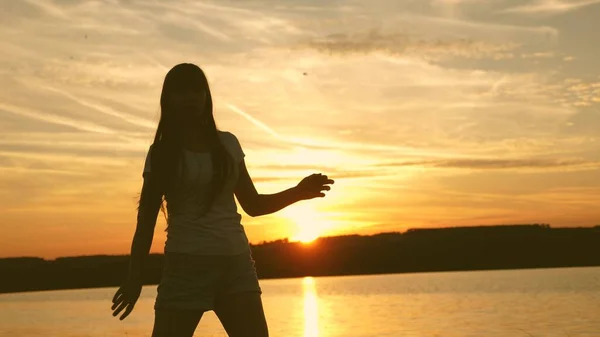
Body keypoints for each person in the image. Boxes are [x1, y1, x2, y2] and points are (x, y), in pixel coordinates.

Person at [110, 63, 334, 337]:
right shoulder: (161, 154)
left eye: (196, 90)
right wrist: (135, 279)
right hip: (185, 266)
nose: (190, 98)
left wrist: (299, 192)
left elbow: (253, 205)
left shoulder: (228, 144)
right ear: (168, 99)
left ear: (206, 96)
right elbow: (145, 224)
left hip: (235, 265)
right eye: (181, 91)